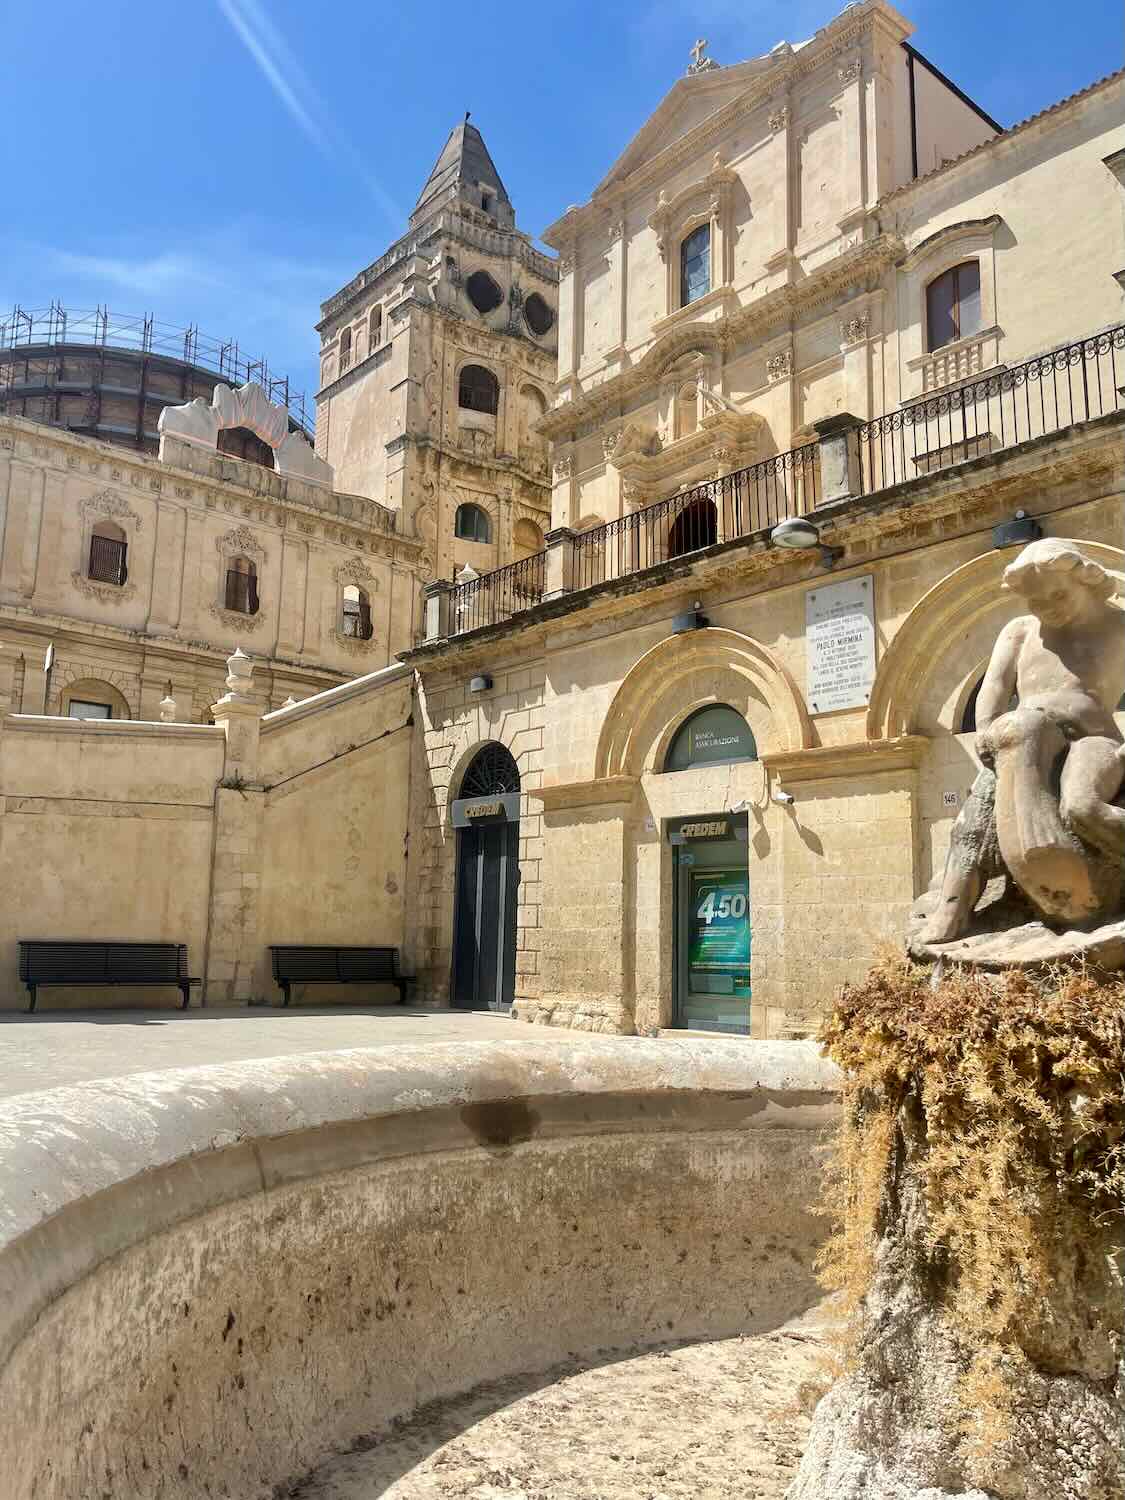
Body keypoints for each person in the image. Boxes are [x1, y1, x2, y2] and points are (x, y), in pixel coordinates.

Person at [922, 539, 1125, 944]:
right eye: (1037, 601)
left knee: (1082, 806)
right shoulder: (1019, 632)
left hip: (1092, 739)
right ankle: (952, 905)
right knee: (972, 821)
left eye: (1059, 595)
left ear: (1084, 580)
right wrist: (986, 730)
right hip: (1024, 739)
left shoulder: (1118, 625)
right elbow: (993, 691)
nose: (1049, 607)